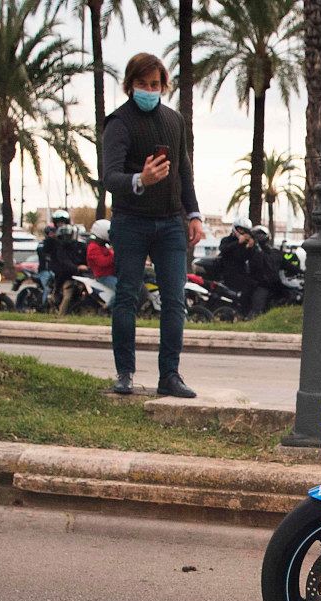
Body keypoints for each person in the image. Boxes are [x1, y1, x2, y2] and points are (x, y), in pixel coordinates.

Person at [99, 52, 204, 398]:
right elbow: (109, 176)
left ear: (163, 85)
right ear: (130, 85)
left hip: (171, 223)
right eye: (142, 84)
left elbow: (183, 171)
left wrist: (194, 215)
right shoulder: (118, 123)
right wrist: (140, 179)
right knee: (127, 295)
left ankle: (169, 375)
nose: (148, 89)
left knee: (174, 299)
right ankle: (125, 373)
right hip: (131, 221)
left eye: (154, 84)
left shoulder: (175, 121)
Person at [87, 218, 117, 294]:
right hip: (104, 277)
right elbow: (102, 262)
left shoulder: (104, 245)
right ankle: (109, 306)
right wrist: (115, 255)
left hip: (112, 274)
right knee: (121, 290)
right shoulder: (93, 247)